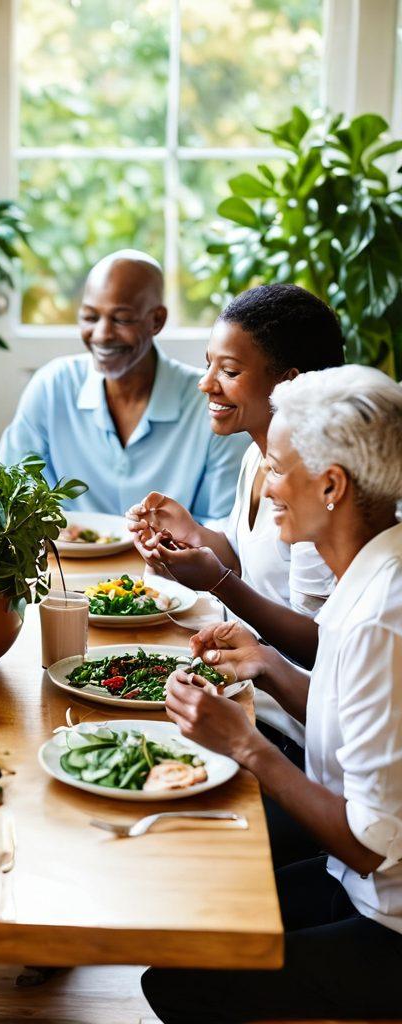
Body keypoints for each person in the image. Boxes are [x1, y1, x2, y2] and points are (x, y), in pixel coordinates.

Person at [142, 365, 402, 1023]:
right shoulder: (370, 569)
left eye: (276, 468)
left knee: (177, 984)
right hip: (361, 880)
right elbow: (362, 724)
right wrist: (266, 666)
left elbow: (373, 843)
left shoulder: (380, 612)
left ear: (332, 485)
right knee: (188, 912)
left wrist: (248, 745)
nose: (266, 484)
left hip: (386, 915)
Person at [125, 285, 344, 751]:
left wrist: (219, 582)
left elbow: (318, 643)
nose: (205, 383)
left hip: (289, 729)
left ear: (289, 383)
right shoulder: (256, 456)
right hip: (240, 693)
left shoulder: (314, 490)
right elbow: (249, 562)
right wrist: (187, 534)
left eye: (228, 370)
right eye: (208, 364)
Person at [0, 250, 248, 519]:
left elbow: (224, 527)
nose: (102, 334)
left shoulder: (210, 405)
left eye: (122, 319)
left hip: (168, 562)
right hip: (66, 560)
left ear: (157, 320)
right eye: (91, 317)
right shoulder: (52, 386)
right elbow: (5, 492)